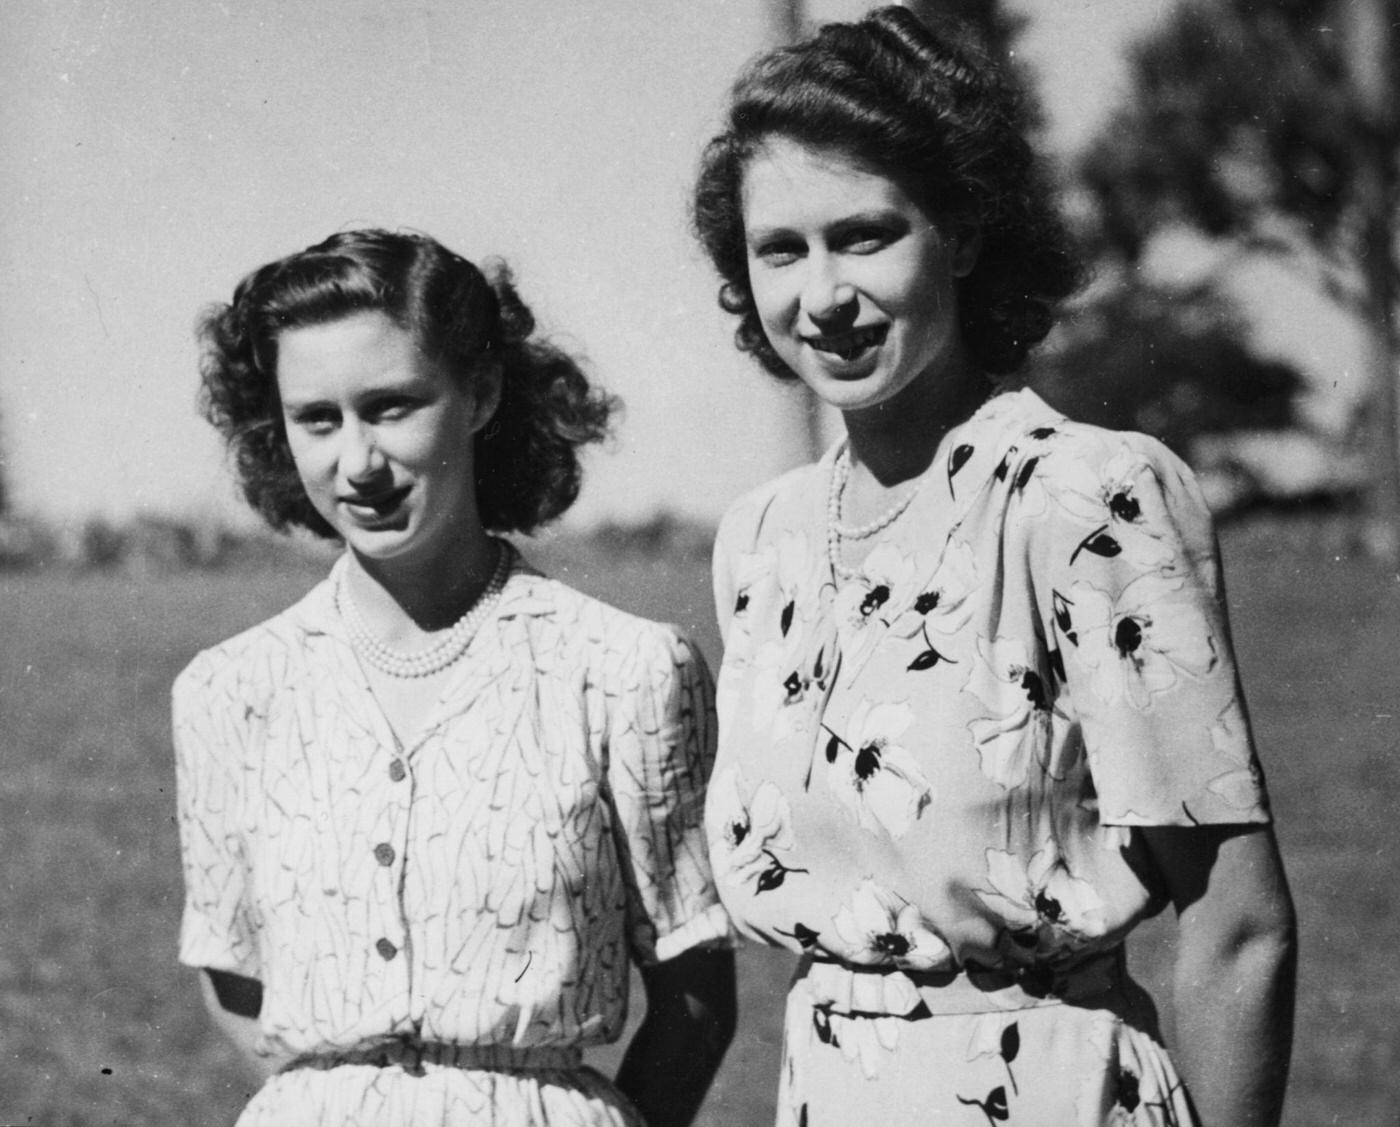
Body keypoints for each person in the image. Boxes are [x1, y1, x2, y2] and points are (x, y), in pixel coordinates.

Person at [692, 9, 1295, 1127]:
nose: (820, 296)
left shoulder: (1079, 494)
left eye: (864, 235)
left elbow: (1236, 921)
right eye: (780, 248)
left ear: (962, 233)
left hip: (1047, 1088)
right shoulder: (759, 538)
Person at [174, 228, 735, 1127]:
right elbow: (232, 978)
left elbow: (697, 989)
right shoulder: (229, 689)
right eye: (318, 418)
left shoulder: (624, 671)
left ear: (480, 393)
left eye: (393, 407)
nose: (357, 462)